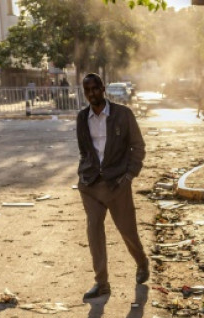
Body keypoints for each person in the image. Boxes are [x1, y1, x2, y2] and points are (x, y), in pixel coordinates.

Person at [75, 73, 149, 300]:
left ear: (103, 88)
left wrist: (129, 176)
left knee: (127, 231)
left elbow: (138, 146)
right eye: (87, 90)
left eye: (95, 89)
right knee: (94, 231)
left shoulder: (122, 114)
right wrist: (84, 174)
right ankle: (102, 282)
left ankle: (142, 262)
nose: (92, 94)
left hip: (117, 184)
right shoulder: (82, 117)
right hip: (91, 185)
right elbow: (85, 150)